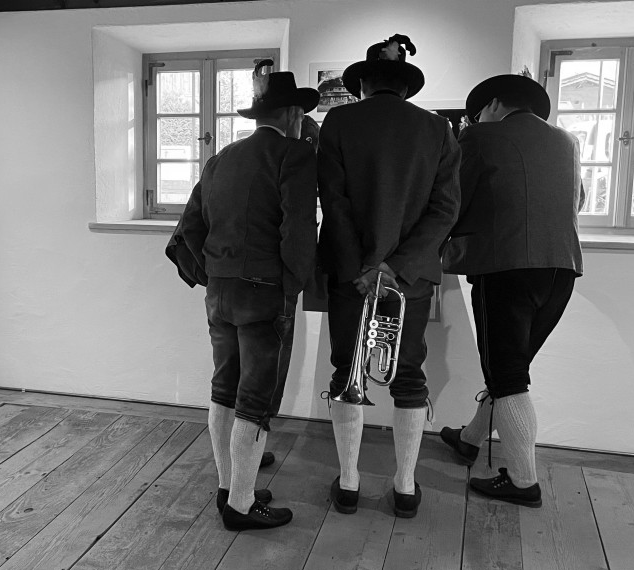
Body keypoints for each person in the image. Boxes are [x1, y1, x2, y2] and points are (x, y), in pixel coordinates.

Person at [318, 35, 460, 519]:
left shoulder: (338, 121)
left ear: (362, 83)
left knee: (347, 372)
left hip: (349, 274)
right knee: (409, 375)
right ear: (406, 88)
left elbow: (332, 203)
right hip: (410, 278)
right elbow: (445, 210)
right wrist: (395, 267)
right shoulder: (438, 129)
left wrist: (364, 268)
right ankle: (403, 487)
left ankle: (351, 482)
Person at [172, 70, 318, 531]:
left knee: (224, 387)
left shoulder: (220, 159)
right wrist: (292, 285)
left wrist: (213, 273)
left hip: (221, 292)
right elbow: (298, 230)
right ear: (294, 114)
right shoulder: (294, 155)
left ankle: (229, 484)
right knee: (255, 398)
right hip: (265, 291)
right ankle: (240, 504)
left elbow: (188, 229)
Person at [439, 74, 584, 508]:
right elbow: (576, 200)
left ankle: (523, 482)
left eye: (478, 112)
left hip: (505, 268)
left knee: (508, 378)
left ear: (496, 105)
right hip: (562, 270)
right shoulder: (567, 142)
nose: (476, 119)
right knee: (511, 368)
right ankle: (468, 440)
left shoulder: (481, 137)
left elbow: (454, 200)